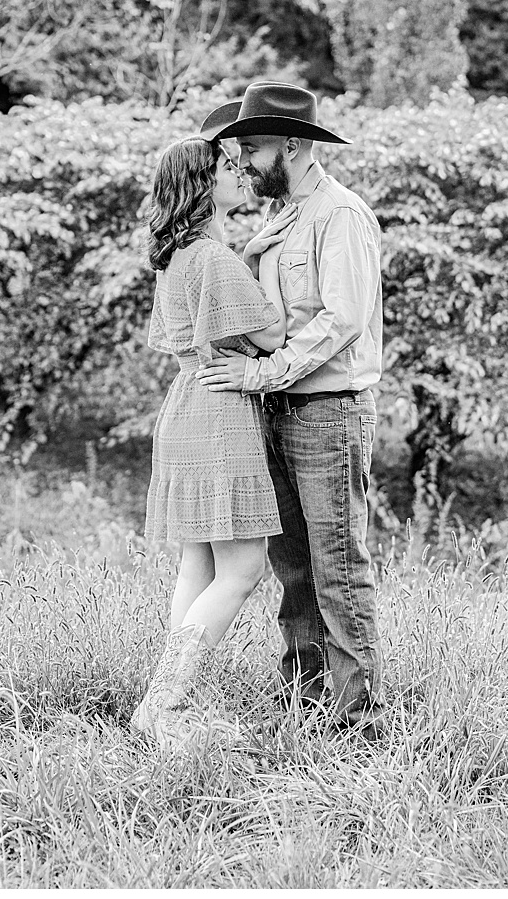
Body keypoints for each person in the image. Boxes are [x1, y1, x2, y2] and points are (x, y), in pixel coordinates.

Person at [198, 81, 386, 738]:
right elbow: (272, 318)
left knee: (337, 564)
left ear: (295, 145)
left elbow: (340, 320)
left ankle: (358, 722)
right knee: (294, 566)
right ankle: (303, 701)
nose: (244, 160)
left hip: (328, 412)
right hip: (277, 410)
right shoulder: (282, 218)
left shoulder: (341, 216)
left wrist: (259, 372)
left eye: (252, 146)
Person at [130, 132, 288, 750]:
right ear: (203, 185)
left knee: (197, 563)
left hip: (186, 407)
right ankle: (161, 702)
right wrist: (261, 256)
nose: (240, 171)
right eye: (227, 167)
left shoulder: (179, 256)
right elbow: (271, 336)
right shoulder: (217, 260)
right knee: (243, 568)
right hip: (221, 414)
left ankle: (171, 699)